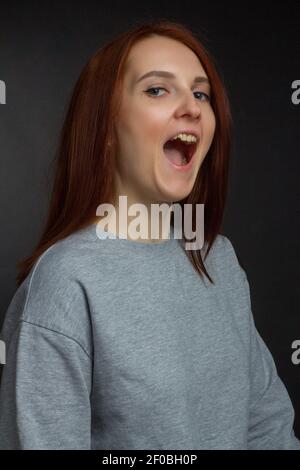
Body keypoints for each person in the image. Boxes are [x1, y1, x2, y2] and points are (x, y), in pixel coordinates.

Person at [0, 20, 299, 450]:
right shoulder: (65, 284)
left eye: (201, 93)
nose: (192, 107)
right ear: (105, 129)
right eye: (158, 89)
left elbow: (266, 425)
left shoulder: (217, 257)